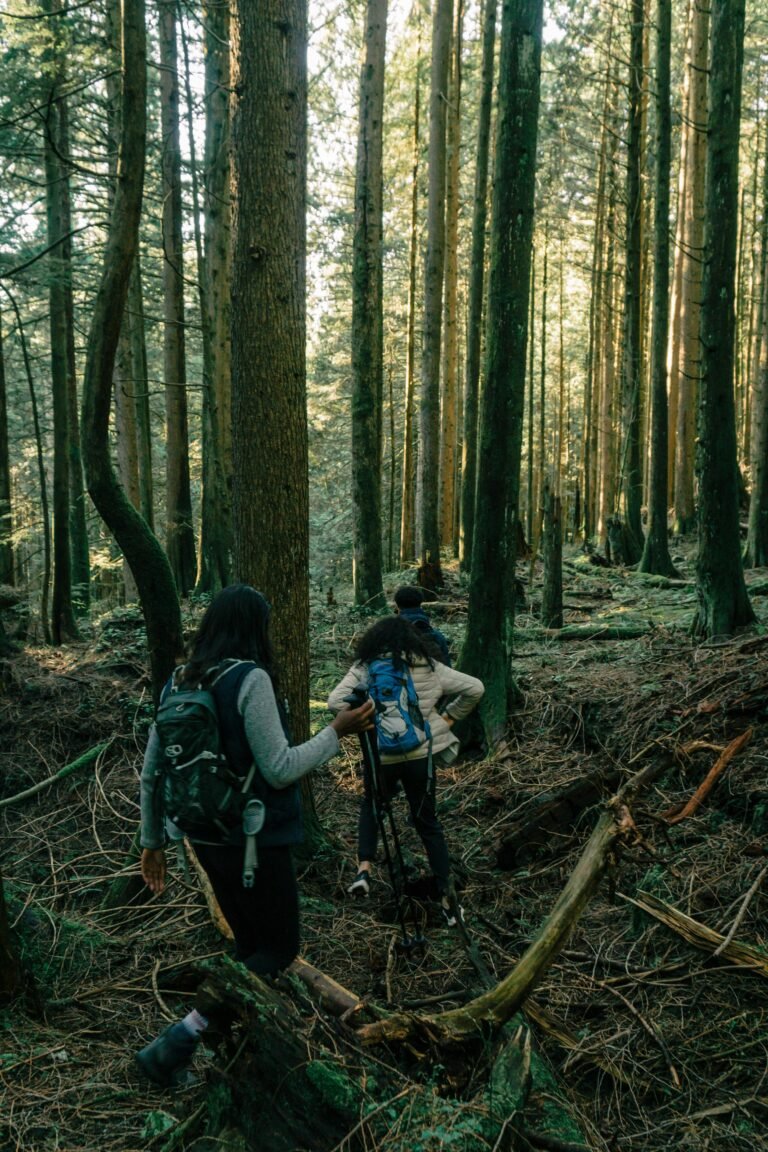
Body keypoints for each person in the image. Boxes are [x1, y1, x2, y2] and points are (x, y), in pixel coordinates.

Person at [135, 584, 373, 1087]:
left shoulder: (179, 680)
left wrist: (151, 840)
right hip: (255, 841)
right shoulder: (250, 679)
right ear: (253, 627)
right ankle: (180, 1037)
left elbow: (153, 771)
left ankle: (235, 1054)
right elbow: (281, 767)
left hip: (204, 837)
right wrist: (338, 731)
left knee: (249, 949)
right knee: (279, 949)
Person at [328, 616, 483, 918]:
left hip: (380, 757)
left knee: (372, 806)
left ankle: (363, 870)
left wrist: (367, 719)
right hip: (418, 757)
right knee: (427, 822)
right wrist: (448, 718)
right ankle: (448, 898)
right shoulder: (427, 665)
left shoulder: (365, 666)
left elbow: (335, 701)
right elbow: (475, 688)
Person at [393, 584, 452, 666]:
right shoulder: (437, 637)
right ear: (420, 603)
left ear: (397, 606)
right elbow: (447, 667)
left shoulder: (390, 635)